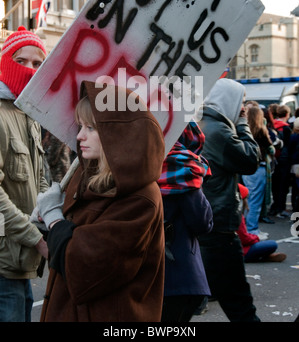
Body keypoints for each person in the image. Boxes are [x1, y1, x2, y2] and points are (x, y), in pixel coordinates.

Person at [34, 81, 165, 322]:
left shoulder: (141, 196)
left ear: (119, 134)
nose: (80, 135)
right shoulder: (88, 177)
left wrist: (54, 219)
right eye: (81, 126)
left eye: (92, 128)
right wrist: (47, 222)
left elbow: (86, 263)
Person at [197, 78, 261, 322]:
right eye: (241, 103)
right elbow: (249, 160)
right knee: (239, 303)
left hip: (204, 219)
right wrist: (243, 124)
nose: (242, 108)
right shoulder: (218, 130)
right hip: (219, 224)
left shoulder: (203, 122)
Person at [0, 26, 49, 322]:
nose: (30, 70)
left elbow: (39, 178)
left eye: (38, 63)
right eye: (22, 61)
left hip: (21, 260)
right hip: (4, 261)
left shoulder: (28, 113)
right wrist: (35, 237)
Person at [157, 121, 213, 322]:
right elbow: (202, 222)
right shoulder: (185, 169)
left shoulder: (135, 162)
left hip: (142, 272)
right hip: (179, 274)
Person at [242, 106, 275, 239]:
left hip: (246, 168)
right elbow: (271, 149)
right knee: (255, 200)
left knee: (248, 200)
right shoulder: (261, 131)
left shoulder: (244, 130)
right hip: (259, 167)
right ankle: (252, 229)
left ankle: (248, 229)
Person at [237, 184, 286, 263]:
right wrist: (256, 238)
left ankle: (264, 256)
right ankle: (264, 256)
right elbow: (244, 239)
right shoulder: (237, 214)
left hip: (223, 247)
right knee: (272, 244)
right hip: (237, 250)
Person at [270, 104, 292, 217]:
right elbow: (289, 145)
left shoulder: (273, 125)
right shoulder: (286, 128)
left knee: (275, 184)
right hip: (284, 159)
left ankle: (274, 206)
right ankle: (280, 207)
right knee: (283, 185)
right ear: (287, 114)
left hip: (274, 158)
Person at [288, 118, 299, 212]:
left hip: (295, 162)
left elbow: (290, 150)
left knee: (295, 187)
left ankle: (295, 208)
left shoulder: (293, 136)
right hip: (296, 162)